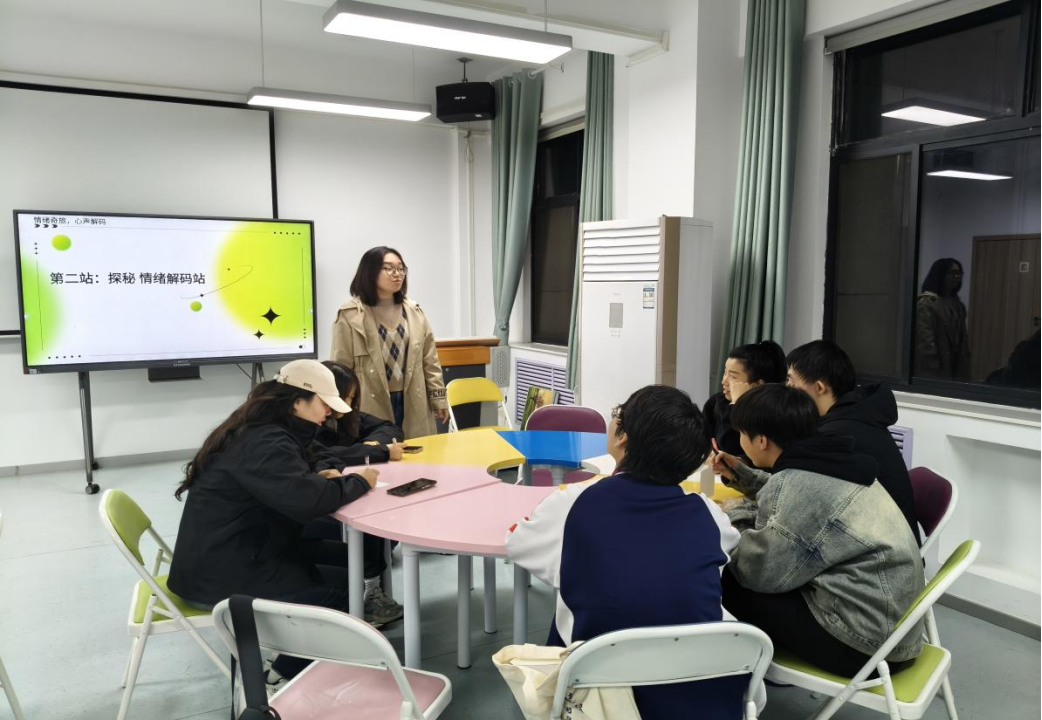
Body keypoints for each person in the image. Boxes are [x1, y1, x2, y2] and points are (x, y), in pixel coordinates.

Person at [506, 385, 760, 719]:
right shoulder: (709, 514)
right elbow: (726, 545)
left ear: (623, 436)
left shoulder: (573, 504)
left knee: (569, 603)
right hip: (705, 690)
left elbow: (519, 543)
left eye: (617, 414)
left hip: (603, 692)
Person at [168, 359, 378, 681]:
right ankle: (278, 677)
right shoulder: (266, 441)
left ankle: (317, 647)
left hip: (236, 551)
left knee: (351, 565)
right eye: (324, 404)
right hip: (223, 575)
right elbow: (308, 503)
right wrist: (360, 481)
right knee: (344, 592)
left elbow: (290, 483)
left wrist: (314, 479)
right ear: (297, 402)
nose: (329, 413)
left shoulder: (260, 428)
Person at [713, 385, 924, 677]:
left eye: (741, 434)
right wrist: (741, 475)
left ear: (761, 440)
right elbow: (794, 498)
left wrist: (725, 518)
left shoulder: (801, 485)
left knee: (723, 578)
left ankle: (732, 675)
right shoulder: (833, 455)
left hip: (865, 647)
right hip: (893, 625)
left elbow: (759, 570)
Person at [299, 360, 405, 628]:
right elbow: (325, 454)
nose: (348, 404)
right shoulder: (305, 427)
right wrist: (377, 451)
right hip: (307, 513)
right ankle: (368, 593)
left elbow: (389, 428)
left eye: (351, 398)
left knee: (380, 521)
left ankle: (371, 588)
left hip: (325, 496)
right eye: (345, 397)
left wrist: (371, 444)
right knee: (369, 524)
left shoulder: (347, 416)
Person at [785, 340, 920, 544]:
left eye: (792, 382)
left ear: (819, 387)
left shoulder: (840, 433)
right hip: (887, 540)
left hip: (883, 552)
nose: (787, 389)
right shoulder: (855, 414)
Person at [330, 246, 448, 439]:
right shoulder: (350, 315)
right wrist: (340, 405)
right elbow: (341, 367)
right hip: (369, 400)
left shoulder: (414, 312)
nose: (397, 274)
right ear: (370, 272)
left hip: (413, 399)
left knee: (417, 450)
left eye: (401, 268)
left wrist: (438, 398)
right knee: (379, 450)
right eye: (389, 268)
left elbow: (430, 360)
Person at [703, 340, 787, 457]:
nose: (723, 381)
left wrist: (736, 404)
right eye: (725, 372)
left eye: (733, 376)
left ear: (757, 385)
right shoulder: (717, 402)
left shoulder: (773, 413)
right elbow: (702, 440)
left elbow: (729, 446)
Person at [915, 258, 971, 380]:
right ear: (940, 275)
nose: (956, 277)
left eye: (959, 274)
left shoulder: (957, 303)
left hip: (956, 363)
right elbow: (925, 340)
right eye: (952, 273)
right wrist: (933, 365)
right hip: (935, 366)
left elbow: (962, 335)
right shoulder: (927, 302)